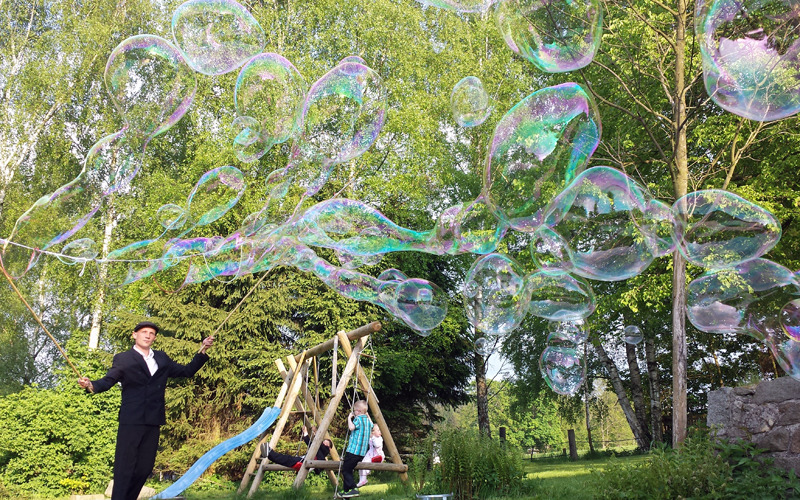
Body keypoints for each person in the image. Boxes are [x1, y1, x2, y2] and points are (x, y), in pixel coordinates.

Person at [77, 321, 214, 500]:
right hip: (131, 419)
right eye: (144, 332)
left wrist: (203, 349)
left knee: (145, 467)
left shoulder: (162, 358)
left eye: (151, 333)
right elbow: (107, 381)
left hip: (153, 419)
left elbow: (186, 371)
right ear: (135, 335)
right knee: (124, 467)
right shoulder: (123, 358)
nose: (148, 335)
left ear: (154, 338)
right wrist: (90, 385)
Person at [336, 399, 372, 498]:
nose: (353, 412)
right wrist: (367, 415)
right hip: (361, 453)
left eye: (354, 411)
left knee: (346, 470)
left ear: (359, 411)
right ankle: (346, 491)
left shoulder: (358, 419)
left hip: (353, 451)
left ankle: (353, 488)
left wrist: (349, 418)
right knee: (349, 469)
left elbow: (351, 427)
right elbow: (372, 425)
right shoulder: (368, 421)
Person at [259, 425, 333, 473]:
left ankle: (269, 453)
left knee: (286, 459)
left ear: (329, 448)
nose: (324, 444)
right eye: (324, 442)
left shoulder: (322, 453)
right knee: (285, 459)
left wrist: (315, 433)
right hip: (302, 461)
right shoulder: (319, 450)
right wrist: (306, 433)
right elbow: (312, 444)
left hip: (302, 463)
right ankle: (269, 453)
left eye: (326, 444)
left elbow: (315, 445)